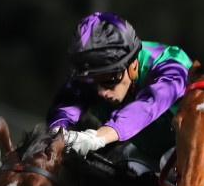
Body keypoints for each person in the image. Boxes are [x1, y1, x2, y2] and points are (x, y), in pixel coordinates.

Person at [47, 12, 192, 171]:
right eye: (93, 83)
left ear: (133, 65)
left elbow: (148, 106)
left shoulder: (171, 65)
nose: (102, 92)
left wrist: (97, 137)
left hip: (196, 157)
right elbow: (66, 104)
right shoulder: (95, 73)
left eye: (109, 81)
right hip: (144, 155)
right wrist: (58, 133)